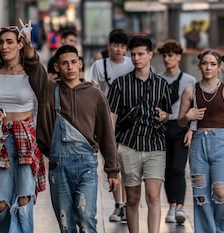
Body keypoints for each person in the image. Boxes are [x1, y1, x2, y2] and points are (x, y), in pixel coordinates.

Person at [26, 44, 120, 232]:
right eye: (64, 63)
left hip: (87, 165)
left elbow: (106, 134)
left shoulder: (95, 95)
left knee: (86, 218)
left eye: (73, 62)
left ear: (80, 64)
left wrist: (112, 170)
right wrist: (28, 47)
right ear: (57, 67)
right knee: (66, 223)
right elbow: (34, 68)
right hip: (58, 166)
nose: (70, 66)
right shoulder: (48, 91)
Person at [0, 19, 46, 233]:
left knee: (24, 198)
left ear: (20, 45)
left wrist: (30, 45)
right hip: (1, 140)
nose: (4, 47)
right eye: (1, 43)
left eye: (9, 42)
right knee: (1, 202)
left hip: (26, 138)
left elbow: (44, 96)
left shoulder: (30, 73)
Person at [107, 35, 172, 233]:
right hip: (128, 146)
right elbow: (112, 118)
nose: (136, 58)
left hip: (155, 146)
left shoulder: (162, 84)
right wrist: (111, 151)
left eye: (140, 54)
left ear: (150, 55)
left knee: (153, 196)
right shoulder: (119, 84)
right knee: (132, 198)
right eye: (133, 54)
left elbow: (167, 113)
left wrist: (164, 116)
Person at [178, 49, 224, 233]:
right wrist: (188, 116)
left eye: (213, 64)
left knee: (221, 190)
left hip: (220, 142)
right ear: (199, 66)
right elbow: (181, 121)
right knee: (201, 195)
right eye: (205, 63)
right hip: (198, 144)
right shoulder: (190, 90)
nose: (208, 67)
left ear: (219, 67)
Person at [88, 28, 133, 222]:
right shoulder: (100, 66)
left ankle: (127, 204)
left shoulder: (132, 64)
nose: (118, 49)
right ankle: (119, 205)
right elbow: (93, 88)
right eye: (115, 45)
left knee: (127, 164)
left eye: (122, 46)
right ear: (109, 45)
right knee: (113, 162)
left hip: (130, 120)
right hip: (107, 119)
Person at [156, 39, 196, 224]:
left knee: (178, 168)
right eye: (164, 55)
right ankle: (172, 206)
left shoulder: (189, 80)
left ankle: (178, 206)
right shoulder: (157, 79)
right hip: (162, 127)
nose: (167, 59)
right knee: (165, 169)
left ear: (179, 57)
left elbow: (195, 108)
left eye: (170, 55)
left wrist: (191, 130)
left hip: (181, 127)